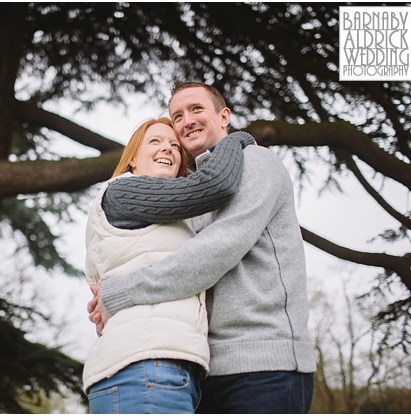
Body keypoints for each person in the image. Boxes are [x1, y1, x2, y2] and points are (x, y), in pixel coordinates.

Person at [88, 81, 315, 413]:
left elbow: (217, 249)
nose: (186, 121)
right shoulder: (182, 194)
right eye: (177, 115)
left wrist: (121, 292)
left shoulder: (257, 162)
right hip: (202, 370)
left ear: (224, 116)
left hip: (263, 364)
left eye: (196, 109)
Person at [84, 117, 253, 413]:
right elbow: (215, 185)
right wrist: (234, 140)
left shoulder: (166, 219)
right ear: (132, 159)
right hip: (146, 367)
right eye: (156, 141)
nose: (169, 149)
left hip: (157, 367)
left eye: (175, 145)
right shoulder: (124, 192)